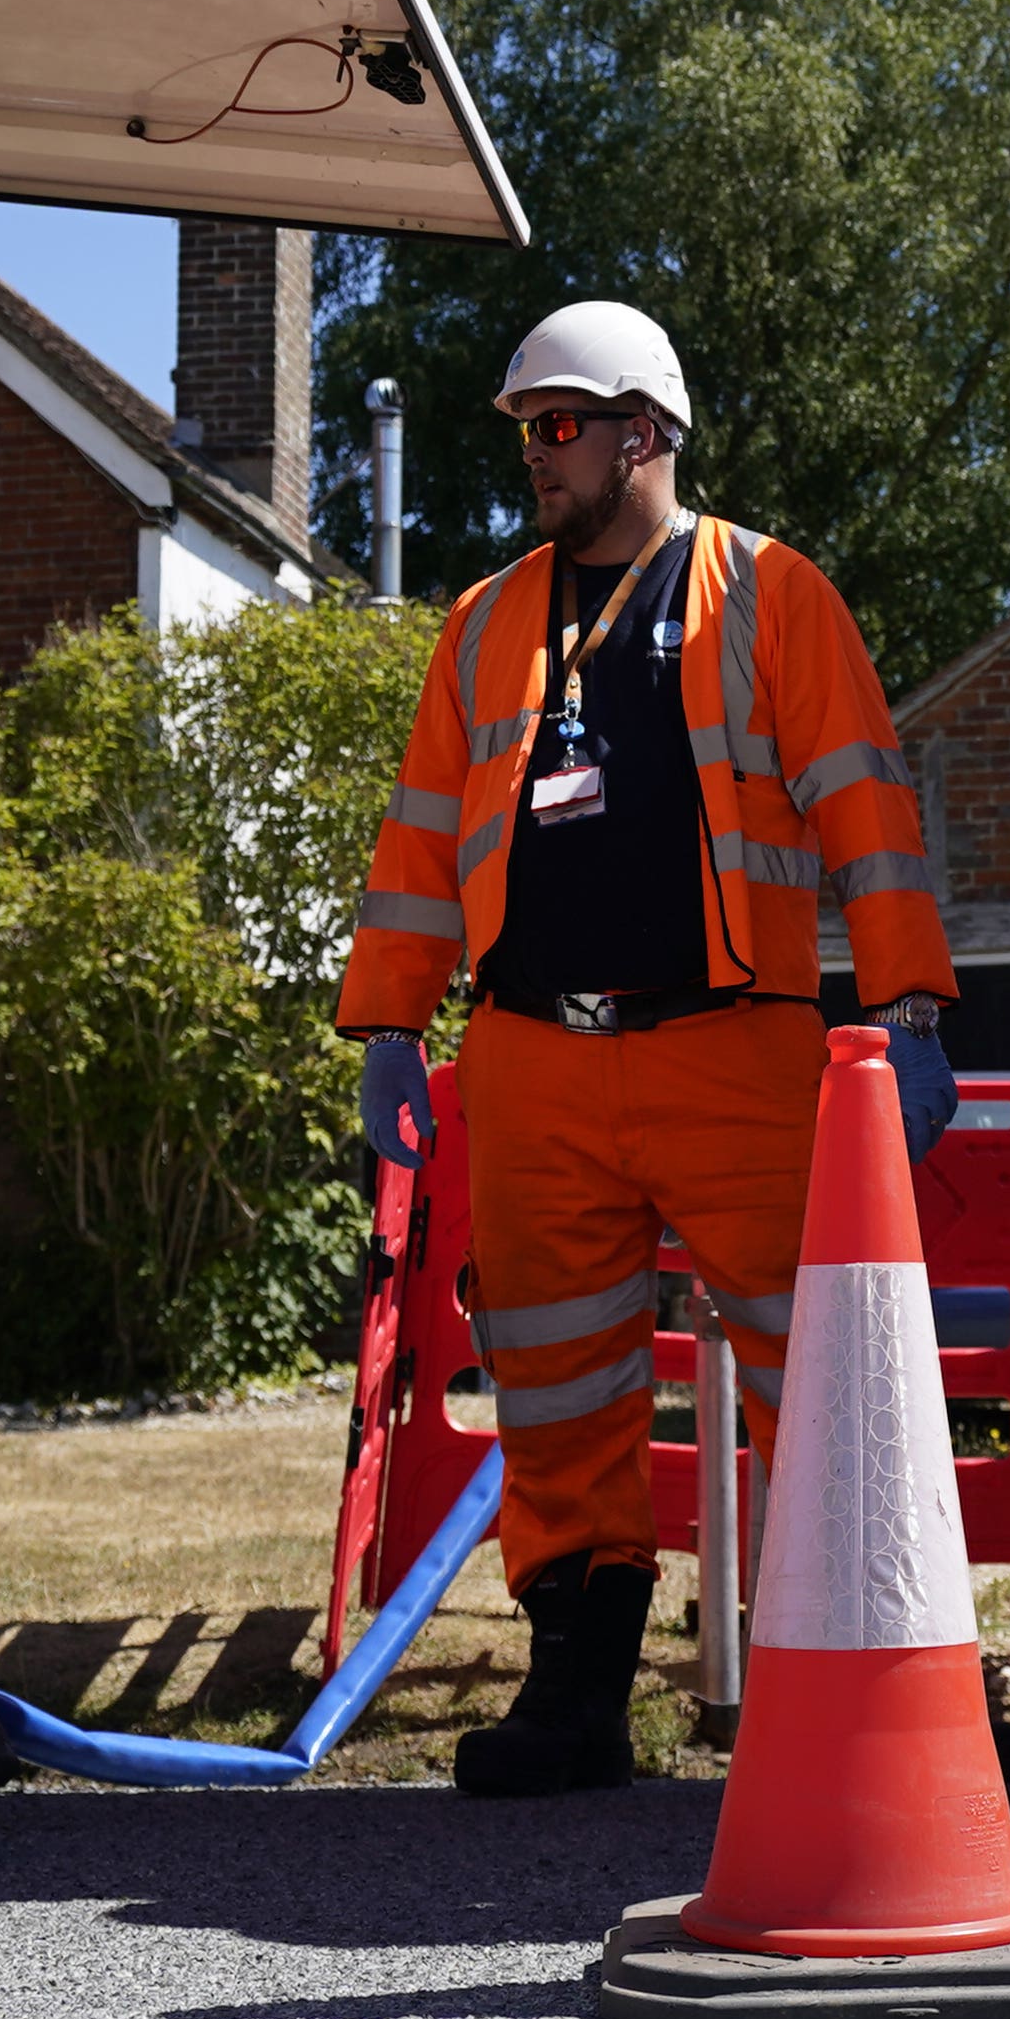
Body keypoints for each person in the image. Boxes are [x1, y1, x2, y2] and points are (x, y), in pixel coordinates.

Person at [334, 299, 960, 1795]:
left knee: (826, 1375)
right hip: (533, 1059)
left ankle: (894, 1696)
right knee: (554, 1387)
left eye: (561, 427)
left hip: (737, 1051)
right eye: (528, 431)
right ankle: (576, 1700)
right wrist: (385, 1029)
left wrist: (912, 1007)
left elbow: (865, 806)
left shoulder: (770, 592)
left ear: (647, 435)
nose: (537, 457)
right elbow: (421, 841)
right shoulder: (485, 623)